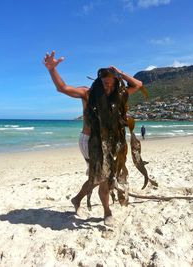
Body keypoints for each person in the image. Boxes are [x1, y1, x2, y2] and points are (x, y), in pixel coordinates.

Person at [43, 51, 143, 226]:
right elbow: (62, 88)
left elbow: (138, 84)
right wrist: (52, 69)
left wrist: (121, 73)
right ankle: (107, 212)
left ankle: (77, 199)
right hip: (89, 141)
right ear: (99, 81)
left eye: (112, 84)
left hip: (108, 143)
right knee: (103, 178)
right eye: (105, 83)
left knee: (98, 177)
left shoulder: (117, 95)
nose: (108, 87)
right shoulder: (87, 93)